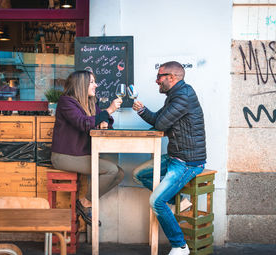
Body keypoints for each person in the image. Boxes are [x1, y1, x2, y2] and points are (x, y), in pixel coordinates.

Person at [132, 61, 206, 255]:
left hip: (188, 162)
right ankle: (178, 201)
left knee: (156, 202)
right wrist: (141, 110)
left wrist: (156, 121)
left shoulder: (184, 96)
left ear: (171, 78)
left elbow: (161, 124)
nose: (157, 81)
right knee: (139, 174)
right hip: (175, 157)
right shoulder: (175, 95)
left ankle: (180, 246)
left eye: (159, 77)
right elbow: (158, 119)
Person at [51, 70, 124, 226]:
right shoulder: (66, 102)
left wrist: (105, 121)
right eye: (92, 82)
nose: (96, 85)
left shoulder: (91, 102)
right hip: (65, 156)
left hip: (81, 155)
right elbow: (83, 123)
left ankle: (84, 202)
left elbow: (105, 121)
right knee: (111, 170)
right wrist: (109, 110)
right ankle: (86, 203)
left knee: (119, 174)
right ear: (81, 84)